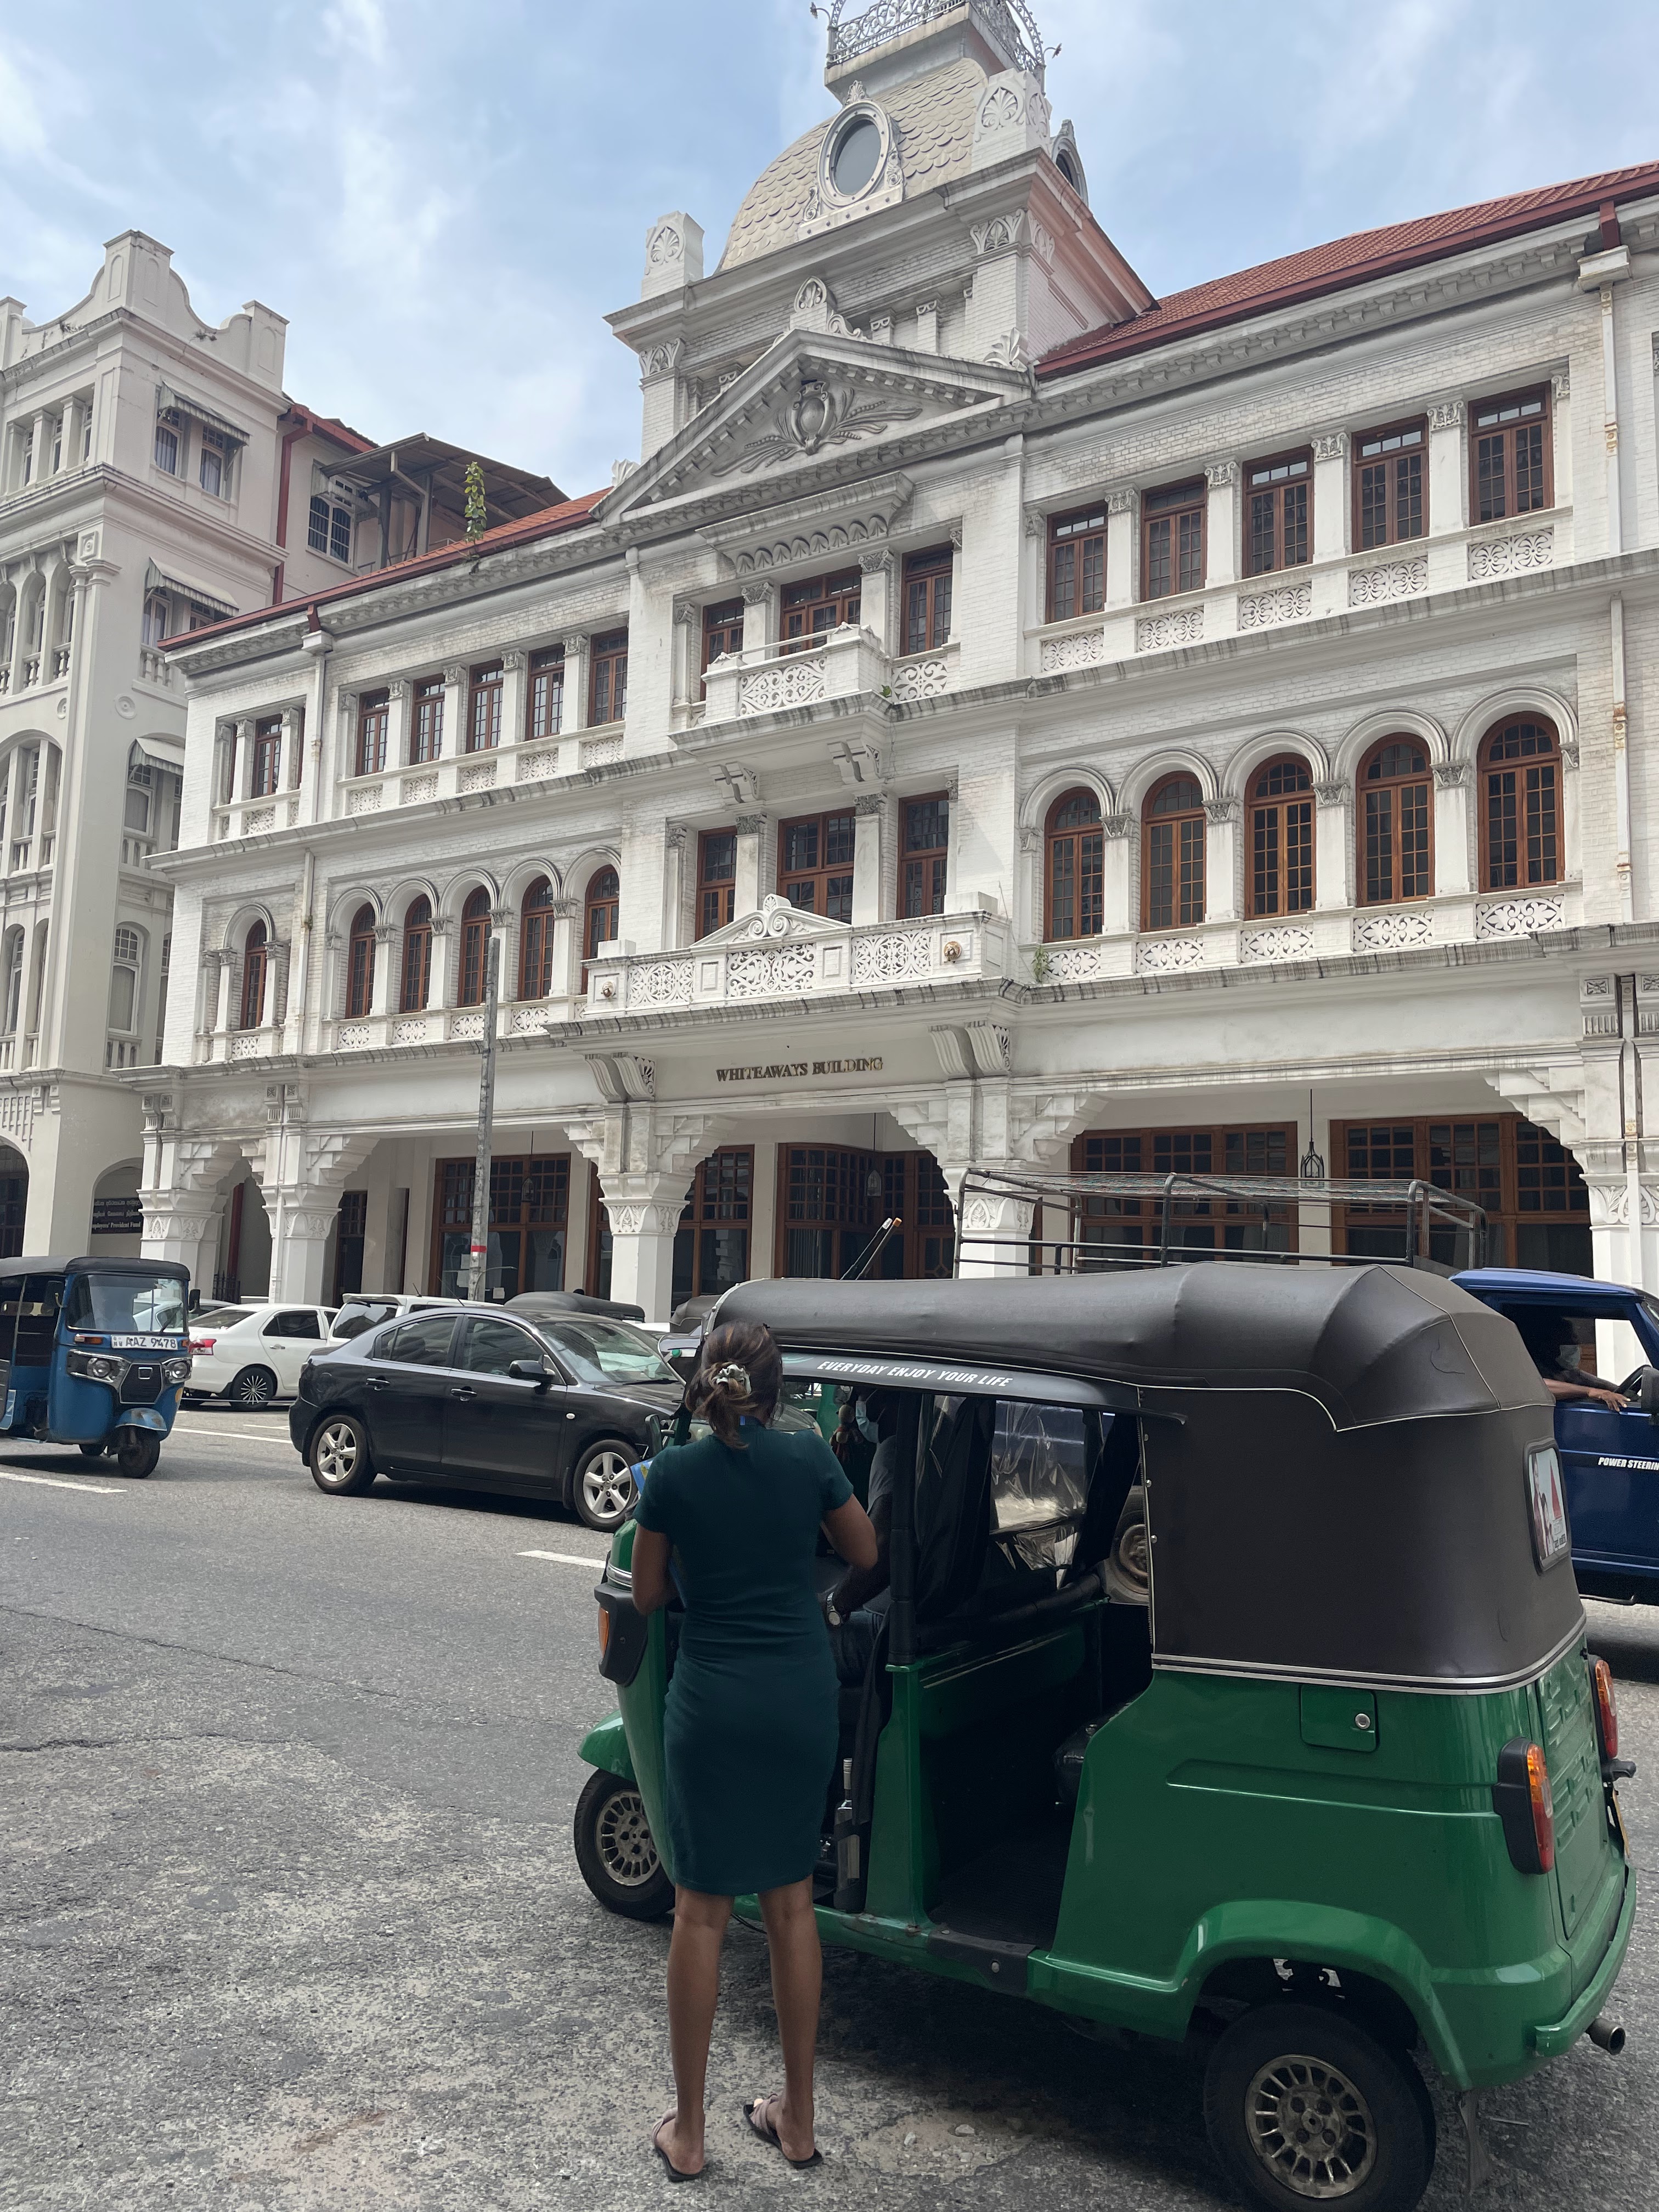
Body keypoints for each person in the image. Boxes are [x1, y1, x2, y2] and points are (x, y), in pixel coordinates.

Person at [630, 1321, 878, 2182]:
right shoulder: (807, 1458)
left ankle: (691, 2134)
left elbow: (648, 1593)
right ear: (778, 1391)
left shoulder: (674, 1474)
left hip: (712, 1701)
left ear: (705, 1382)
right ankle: (797, 2120)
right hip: (798, 1698)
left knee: (700, 1911)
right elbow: (865, 1550)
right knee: (792, 1907)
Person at [824, 1389, 901, 1683]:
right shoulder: (933, 1440)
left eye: (863, 1396)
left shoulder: (894, 1451)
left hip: (888, 1629)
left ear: (884, 1401)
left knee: (779, 1643)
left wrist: (835, 1606)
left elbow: (881, 1549)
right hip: (927, 1619)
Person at [1514, 1311, 1631, 1412]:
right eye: (1569, 1341)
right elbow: (1539, 1386)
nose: (1576, 1345)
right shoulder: (1530, 1368)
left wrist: (1621, 1392)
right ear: (1549, 1345)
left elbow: (1599, 1384)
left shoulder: (1567, 1371)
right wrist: (1591, 1392)